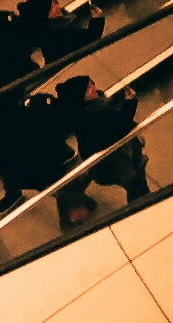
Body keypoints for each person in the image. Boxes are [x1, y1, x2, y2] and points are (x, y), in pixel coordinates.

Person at [45, 76, 149, 225]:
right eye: (88, 88)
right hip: (109, 160)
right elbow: (119, 123)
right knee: (134, 182)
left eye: (91, 83)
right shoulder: (90, 116)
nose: (93, 87)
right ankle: (142, 209)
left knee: (135, 178)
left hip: (104, 156)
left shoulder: (91, 107)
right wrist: (130, 102)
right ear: (81, 97)